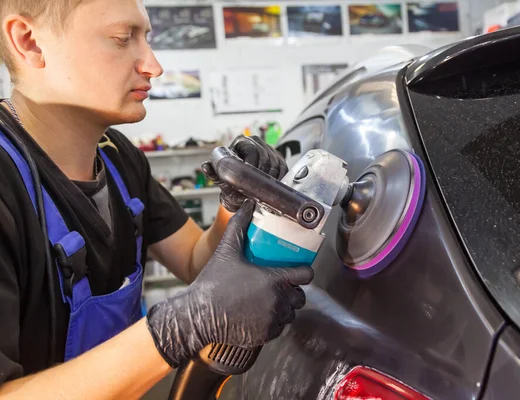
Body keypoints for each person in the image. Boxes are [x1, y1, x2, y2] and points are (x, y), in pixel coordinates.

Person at [0, 0, 313, 398]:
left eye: (145, 38)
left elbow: (195, 263)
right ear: (30, 42)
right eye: (121, 39)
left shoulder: (118, 157)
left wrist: (233, 205)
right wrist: (177, 330)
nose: (153, 65)